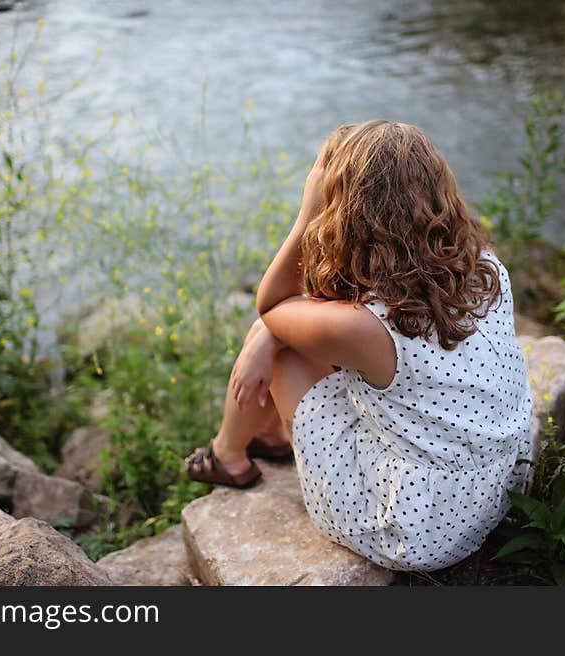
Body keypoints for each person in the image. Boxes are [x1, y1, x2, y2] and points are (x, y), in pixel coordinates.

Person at [185, 120, 533, 571]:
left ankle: (228, 456)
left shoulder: (366, 329)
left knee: (278, 343)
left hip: (418, 529)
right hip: (496, 486)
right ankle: (269, 436)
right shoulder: (483, 267)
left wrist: (307, 212)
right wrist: (276, 328)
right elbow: (321, 316)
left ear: (346, 209)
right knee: (284, 332)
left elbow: (272, 305)